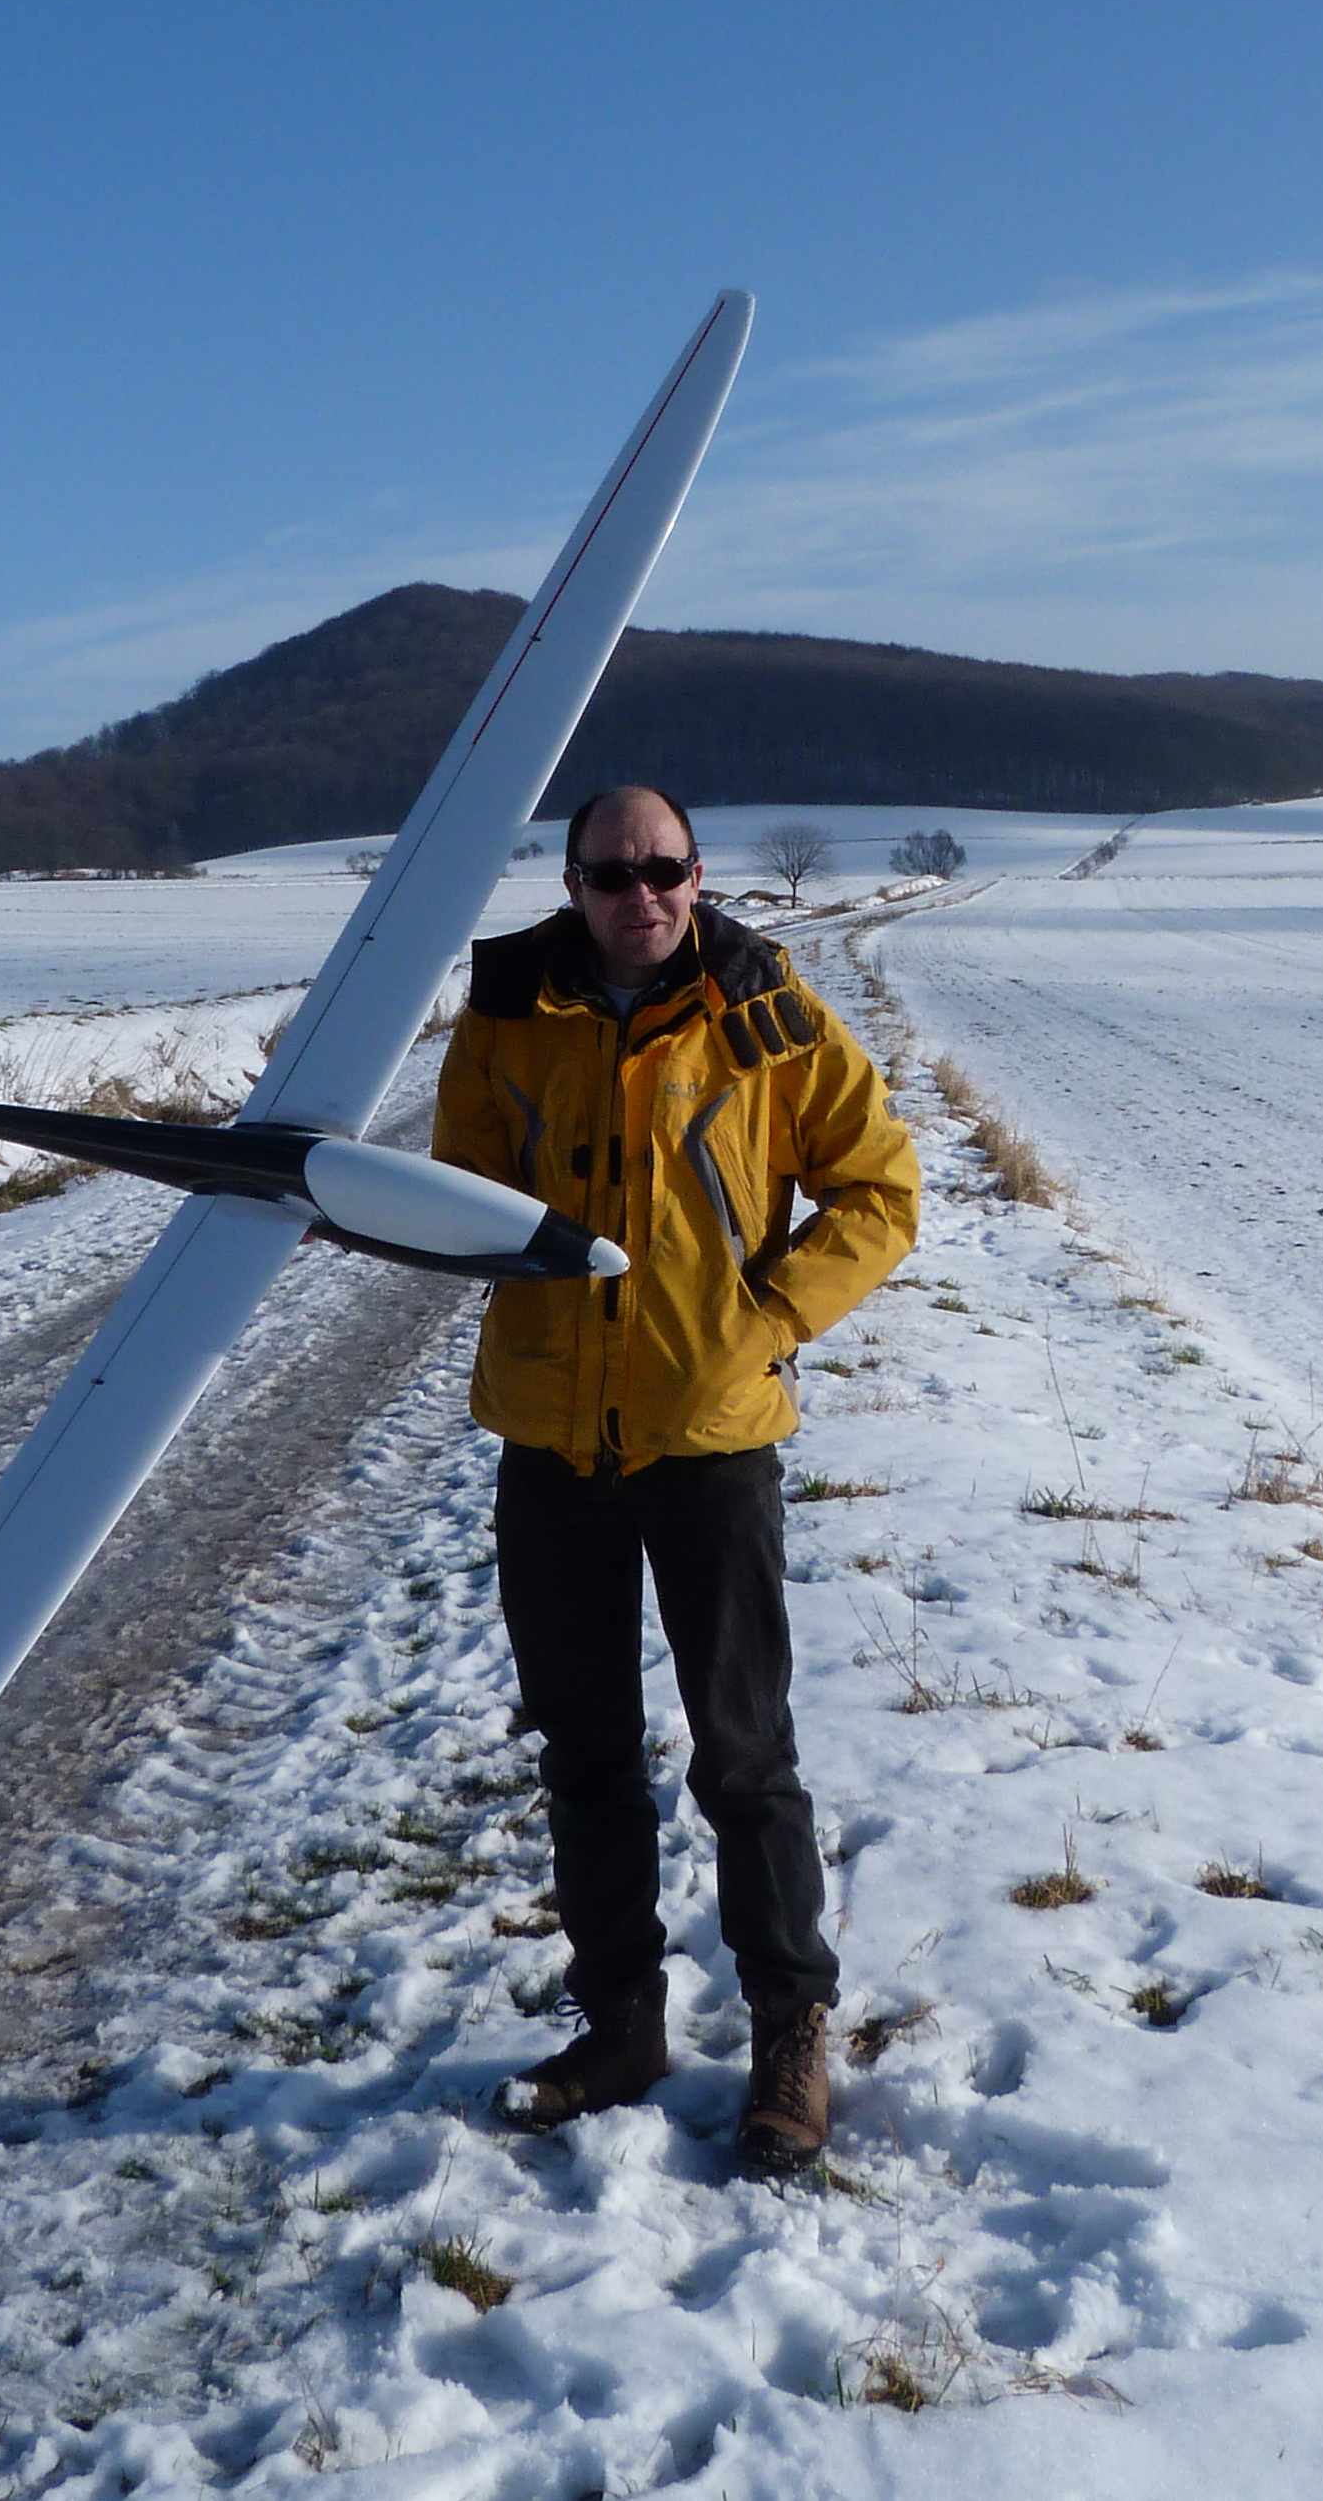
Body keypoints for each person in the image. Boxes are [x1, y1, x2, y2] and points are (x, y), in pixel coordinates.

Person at [431, 785, 918, 2175]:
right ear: (571, 882)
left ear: (697, 876)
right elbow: (459, 1196)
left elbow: (881, 1192)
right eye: (611, 873)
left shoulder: (765, 1011)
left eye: (666, 870)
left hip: (712, 1444)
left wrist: (763, 1321)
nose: (641, 894)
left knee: (745, 1760)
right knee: (584, 1761)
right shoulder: (510, 1012)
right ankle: (623, 2027)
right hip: (550, 1444)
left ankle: (789, 2038)